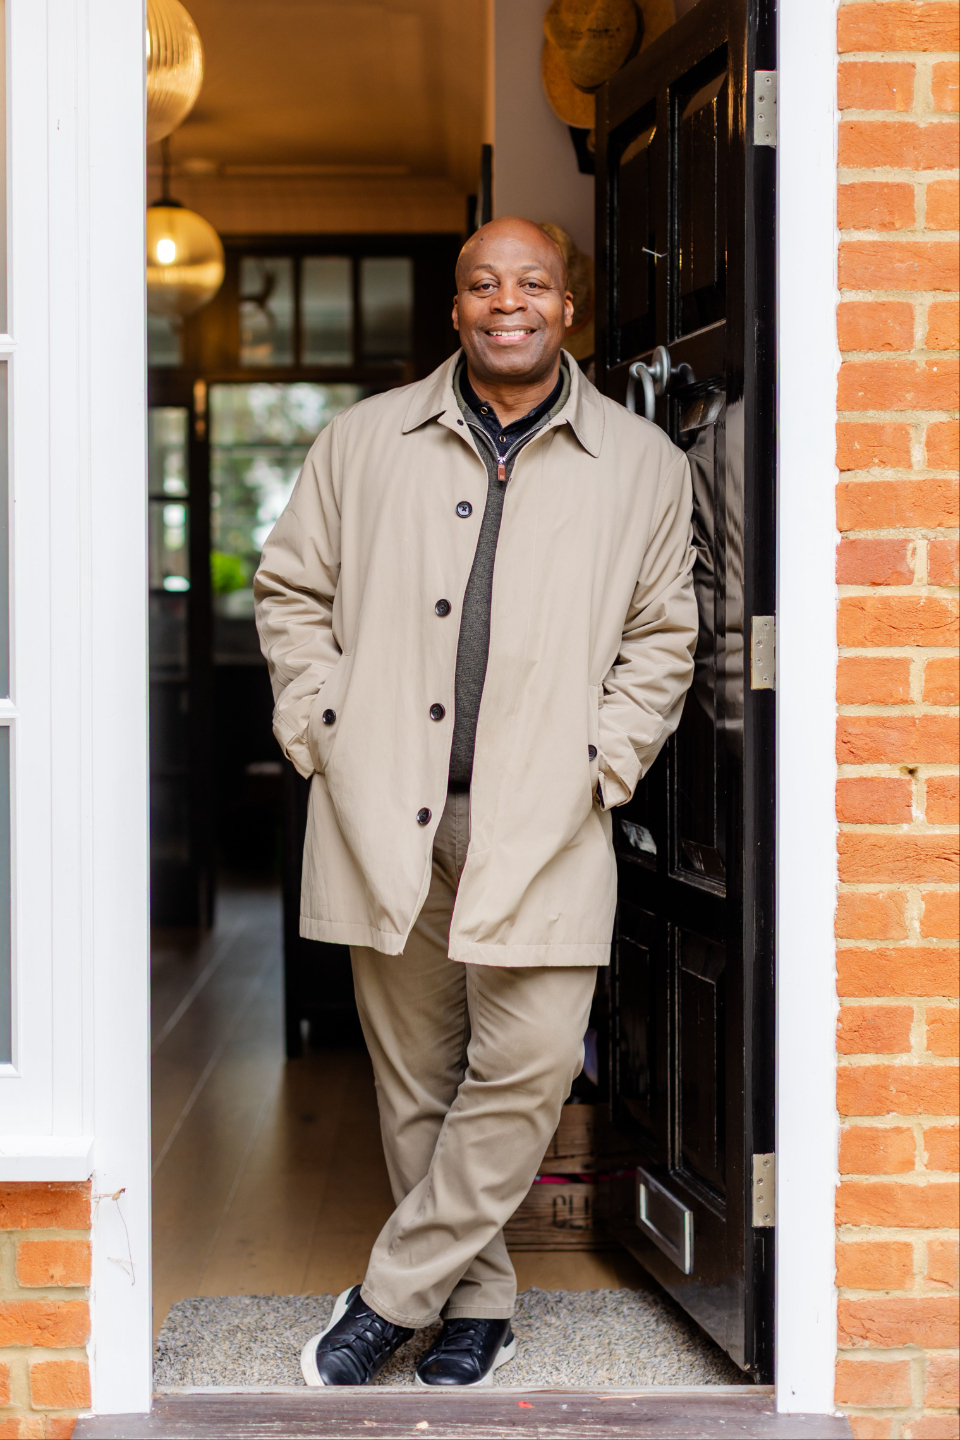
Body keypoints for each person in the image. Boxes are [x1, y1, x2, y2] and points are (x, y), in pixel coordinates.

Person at [254, 217, 697, 1388]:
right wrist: (322, 733)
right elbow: (289, 588)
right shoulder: (362, 442)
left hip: (548, 823)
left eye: (534, 284)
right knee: (415, 1085)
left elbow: (664, 636)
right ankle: (479, 1308)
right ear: (455, 310)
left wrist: (605, 763)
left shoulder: (646, 464)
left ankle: (389, 1298)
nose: (510, 301)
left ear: (569, 308)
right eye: (484, 284)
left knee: (530, 1065)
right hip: (380, 808)